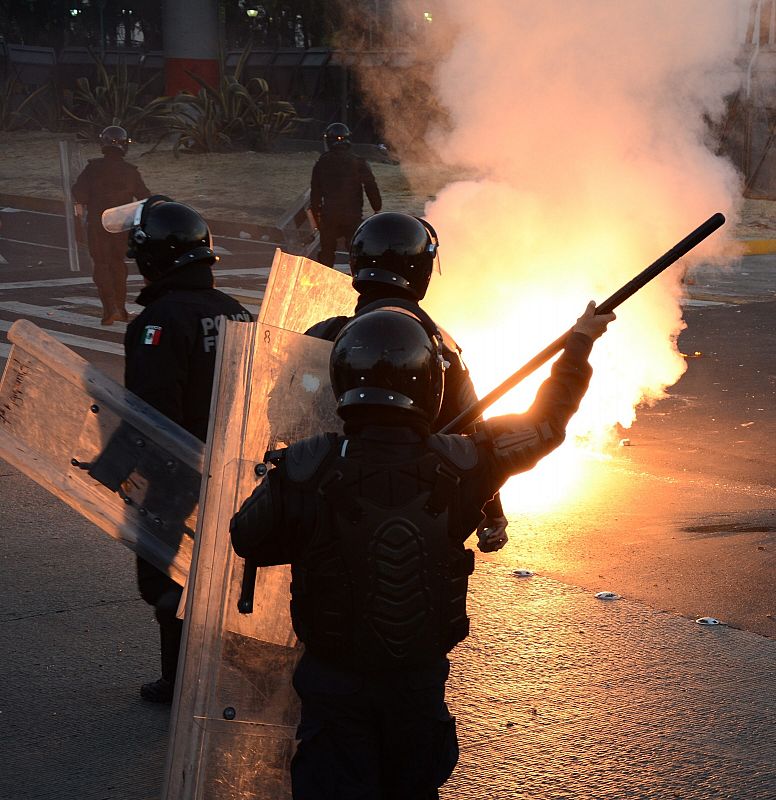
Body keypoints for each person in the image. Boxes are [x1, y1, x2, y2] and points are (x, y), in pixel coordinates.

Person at [230, 302, 615, 798]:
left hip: (334, 684)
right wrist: (579, 342)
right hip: (415, 684)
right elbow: (546, 423)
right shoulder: (466, 462)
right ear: (428, 383)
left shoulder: (307, 466)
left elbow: (248, 539)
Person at [112, 196, 252, 703]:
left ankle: (180, 681)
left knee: (169, 577)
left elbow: (149, 413)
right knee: (225, 571)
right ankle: (227, 673)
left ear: (153, 258)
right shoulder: (236, 313)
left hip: (178, 474)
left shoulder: (159, 322)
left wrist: (114, 470)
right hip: (238, 468)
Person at [306, 211, 508, 553]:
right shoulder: (440, 347)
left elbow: (280, 418)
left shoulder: (322, 337)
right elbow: (473, 432)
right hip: (419, 516)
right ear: (420, 268)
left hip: (331, 511)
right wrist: (493, 511)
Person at [72, 125, 150, 326]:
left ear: (103, 144)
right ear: (125, 145)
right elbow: (145, 196)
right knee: (118, 264)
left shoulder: (93, 168)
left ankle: (109, 309)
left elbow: (79, 194)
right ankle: (121, 308)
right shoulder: (130, 171)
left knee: (101, 264)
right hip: (122, 225)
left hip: (98, 224)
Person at [310, 122, 382, 268]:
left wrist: (316, 216)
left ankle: (324, 284)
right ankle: (359, 281)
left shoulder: (322, 162)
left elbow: (315, 192)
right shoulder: (358, 162)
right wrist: (377, 207)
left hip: (329, 216)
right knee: (355, 253)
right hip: (352, 215)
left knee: (327, 254)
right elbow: (370, 185)